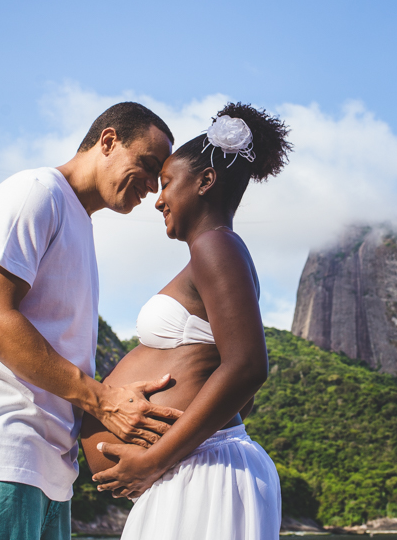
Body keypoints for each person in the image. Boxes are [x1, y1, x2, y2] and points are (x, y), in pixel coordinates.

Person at [0, 102, 184, 540]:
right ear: (109, 141)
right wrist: (102, 400)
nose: (154, 188)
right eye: (148, 166)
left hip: (47, 476)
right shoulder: (36, 193)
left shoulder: (78, 221)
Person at [81, 102, 292, 540]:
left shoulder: (216, 247)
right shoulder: (216, 253)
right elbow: (233, 387)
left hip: (198, 469)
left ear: (205, 182)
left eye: (167, 183)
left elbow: (249, 367)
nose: (158, 199)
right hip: (190, 469)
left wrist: (155, 458)